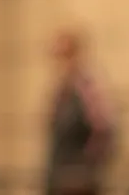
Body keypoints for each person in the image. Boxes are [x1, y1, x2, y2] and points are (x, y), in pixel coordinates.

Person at [44, 29, 117, 195]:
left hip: (79, 182)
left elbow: (105, 130)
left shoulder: (88, 88)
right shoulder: (60, 92)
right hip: (59, 178)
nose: (60, 63)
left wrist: (86, 168)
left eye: (65, 55)